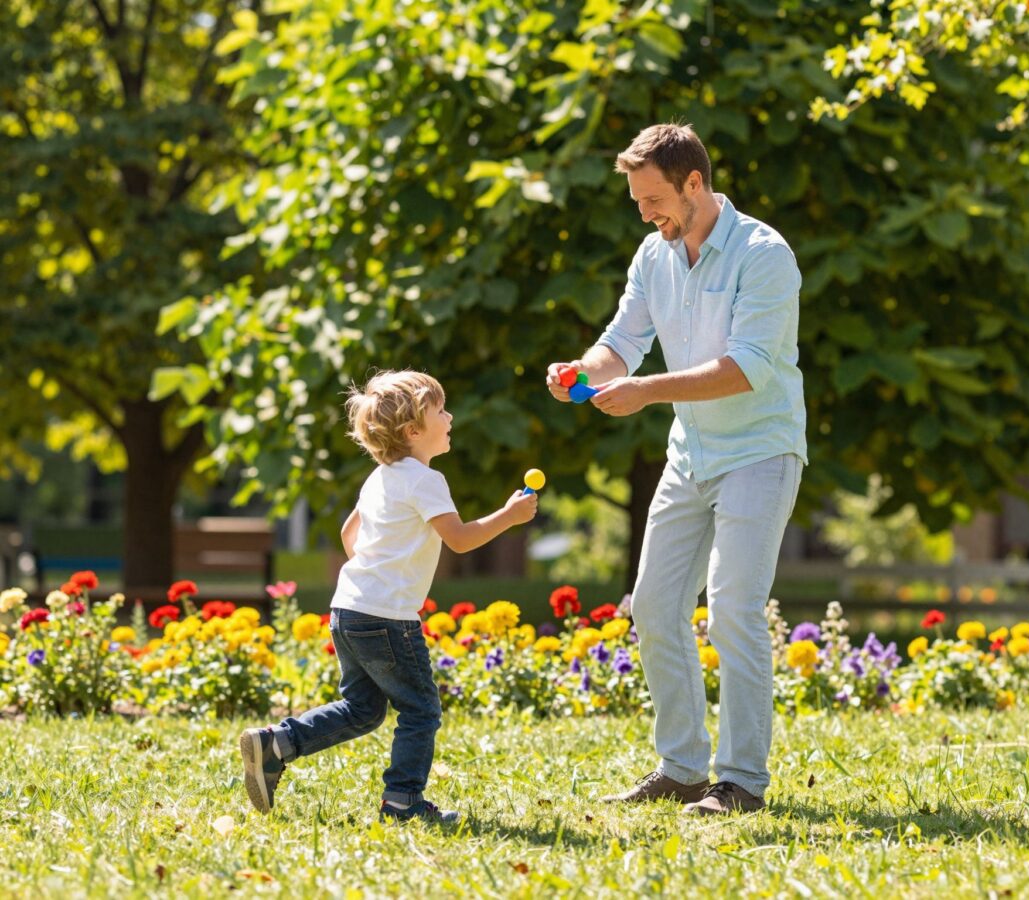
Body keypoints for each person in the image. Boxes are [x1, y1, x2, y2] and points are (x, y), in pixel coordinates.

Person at [546, 123, 806, 815]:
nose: (644, 213)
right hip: (690, 455)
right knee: (656, 608)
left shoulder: (764, 255)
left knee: (732, 611)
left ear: (696, 183)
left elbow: (747, 368)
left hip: (760, 451)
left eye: (653, 198)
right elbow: (622, 341)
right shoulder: (653, 253)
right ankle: (683, 769)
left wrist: (647, 391)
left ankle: (741, 782)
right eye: (636, 201)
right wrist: (583, 369)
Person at [239, 370, 538, 824]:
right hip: (388, 618)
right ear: (413, 430)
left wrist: (377, 570)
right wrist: (509, 515)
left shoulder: (381, 477)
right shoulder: (425, 481)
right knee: (421, 710)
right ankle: (403, 801)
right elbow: (458, 539)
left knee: (362, 710)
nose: (450, 416)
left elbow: (348, 534)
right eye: (440, 410)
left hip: (349, 609)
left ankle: (277, 743)